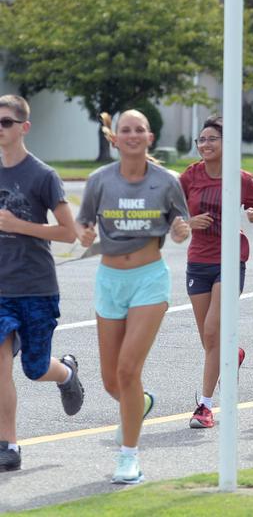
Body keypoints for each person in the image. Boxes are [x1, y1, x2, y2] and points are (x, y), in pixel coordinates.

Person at [76, 109, 190, 483]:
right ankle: (139, 404)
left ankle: (129, 457)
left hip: (148, 279)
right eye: (126, 130)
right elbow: (84, 224)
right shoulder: (99, 181)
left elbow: (180, 225)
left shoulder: (167, 181)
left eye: (139, 130)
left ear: (150, 137)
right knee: (112, 380)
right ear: (116, 137)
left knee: (128, 370)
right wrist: (85, 234)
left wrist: (179, 231)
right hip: (109, 279)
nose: (132, 135)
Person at [0, 95, 84, 473]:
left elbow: (70, 233)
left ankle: (65, 372)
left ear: (24, 127)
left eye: (5, 122)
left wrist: (19, 227)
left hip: (36, 287)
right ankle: (9, 445)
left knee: (35, 368)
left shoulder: (42, 175)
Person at [180, 115, 253, 429]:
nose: (205, 144)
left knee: (211, 331)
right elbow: (171, 216)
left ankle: (204, 407)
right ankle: (234, 353)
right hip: (198, 261)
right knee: (211, 341)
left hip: (230, 259)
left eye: (212, 139)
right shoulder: (190, 176)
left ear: (225, 143)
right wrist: (189, 223)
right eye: (201, 140)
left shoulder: (240, 177)